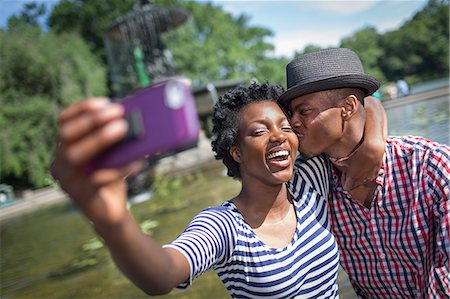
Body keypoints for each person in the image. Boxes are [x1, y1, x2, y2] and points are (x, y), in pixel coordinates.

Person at [51, 82, 342, 298]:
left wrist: (378, 129)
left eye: (285, 127)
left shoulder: (310, 181)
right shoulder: (223, 227)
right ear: (237, 152)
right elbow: (163, 273)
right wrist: (113, 222)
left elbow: (361, 111)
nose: (278, 136)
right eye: (259, 131)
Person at [279, 47, 450, 298]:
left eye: (304, 111)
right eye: (291, 113)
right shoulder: (313, 185)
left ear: (347, 107)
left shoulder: (430, 168)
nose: (292, 122)